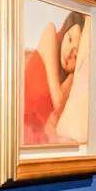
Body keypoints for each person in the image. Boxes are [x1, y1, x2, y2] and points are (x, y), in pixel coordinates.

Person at [24, 11, 85, 144]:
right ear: (65, 31)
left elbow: (54, 122)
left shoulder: (70, 81)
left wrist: (73, 76)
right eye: (69, 39)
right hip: (17, 125)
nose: (68, 53)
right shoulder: (50, 33)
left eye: (76, 55)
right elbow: (58, 100)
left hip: (35, 141)